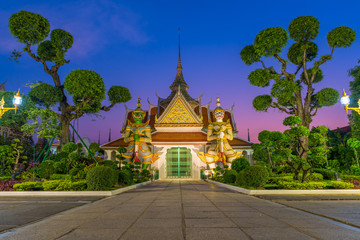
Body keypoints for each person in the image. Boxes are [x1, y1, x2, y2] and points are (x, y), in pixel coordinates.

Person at [198, 96, 242, 168]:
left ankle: (228, 172)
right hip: (215, 144)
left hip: (225, 144)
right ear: (214, 115)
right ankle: (213, 172)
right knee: (209, 157)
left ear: (223, 114)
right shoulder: (211, 125)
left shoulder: (227, 124)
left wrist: (224, 134)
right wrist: (217, 136)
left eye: (220, 113)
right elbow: (209, 138)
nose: (219, 115)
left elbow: (231, 137)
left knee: (232, 157)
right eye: (217, 113)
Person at [122, 96, 159, 168]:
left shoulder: (146, 126)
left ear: (143, 115)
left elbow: (149, 139)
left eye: (139, 115)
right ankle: (129, 171)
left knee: (148, 157)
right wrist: (132, 138)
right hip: (132, 145)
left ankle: (144, 171)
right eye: (135, 115)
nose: (137, 116)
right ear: (133, 115)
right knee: (126, 158)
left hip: (142, 145)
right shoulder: (129, 126)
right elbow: (125, 139)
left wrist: (140, 139)